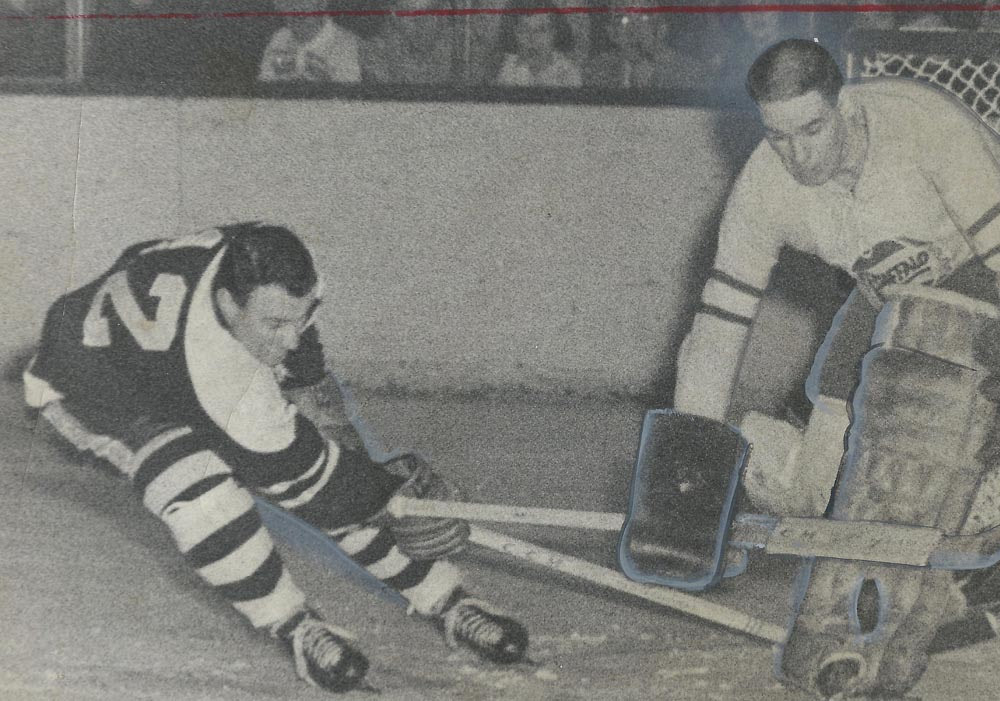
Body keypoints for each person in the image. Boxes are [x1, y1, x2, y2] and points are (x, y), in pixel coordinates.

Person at [22, 222, 528, 694]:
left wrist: (311, 385)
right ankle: (292, 623)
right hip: (92, 385)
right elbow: (310, 481)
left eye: (299, 318)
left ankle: (448, 599)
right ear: (226, 302)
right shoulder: (221, 380)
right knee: (199, 489)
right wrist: (386, 493)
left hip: (166, 356)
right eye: (274, 325)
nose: (291, 336)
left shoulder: (262, 258)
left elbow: (143, 257)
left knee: (333, 472)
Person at [672, 38, 1000, 515]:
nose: (797, 155)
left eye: (812, 129)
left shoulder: (929, 128)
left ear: (845, 104)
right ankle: (773, 451)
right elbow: (719, 325)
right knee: (818, 497)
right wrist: (692, 445)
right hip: (886, 295)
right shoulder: (761, 188)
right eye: (778, 137)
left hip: (982, 272)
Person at [259, 0, 362, 83]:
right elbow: (263, 90)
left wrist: (327, 84)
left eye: (303, 1)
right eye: (287, 2)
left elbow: (350, 100)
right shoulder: (279, 38)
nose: (295, 8)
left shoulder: (346, 43)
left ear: (322, 3)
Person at [495, 0, 582, 89]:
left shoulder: (567, 73)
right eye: (524, 30)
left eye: (541, 30)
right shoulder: (506, 72)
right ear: (514, 33)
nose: (532, 38)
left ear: (554, 33)